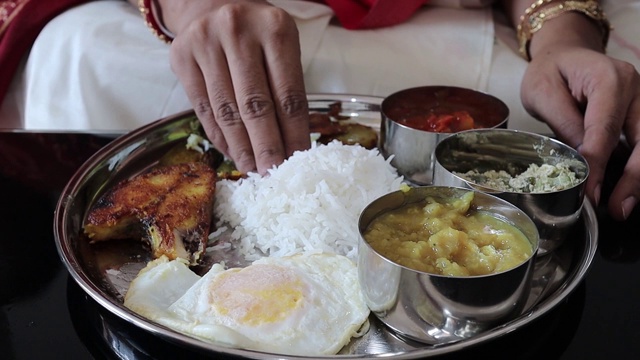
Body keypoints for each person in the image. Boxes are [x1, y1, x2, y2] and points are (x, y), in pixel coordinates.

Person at [1, 0, 639, 222]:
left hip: (449, 20)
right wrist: (196, 13)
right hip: (224, 16)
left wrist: (561, 39)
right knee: (83, 56)